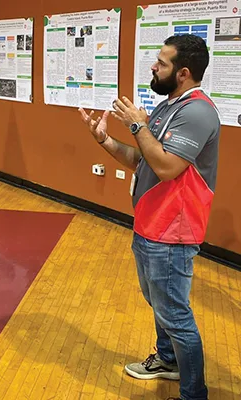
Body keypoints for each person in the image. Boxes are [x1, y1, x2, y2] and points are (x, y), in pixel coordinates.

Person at [79, 34, 219, 400]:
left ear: (183, 72)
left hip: (173, 232)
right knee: (159, 303)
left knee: (176, 315)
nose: (153, 67)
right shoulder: (167, 106)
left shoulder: (197, 112)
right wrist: (105, 140)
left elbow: (168, 167)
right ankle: (169, 360)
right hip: (150, 225)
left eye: (162, 62)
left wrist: (138, 126)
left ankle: (194, 393)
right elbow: (142, 160)